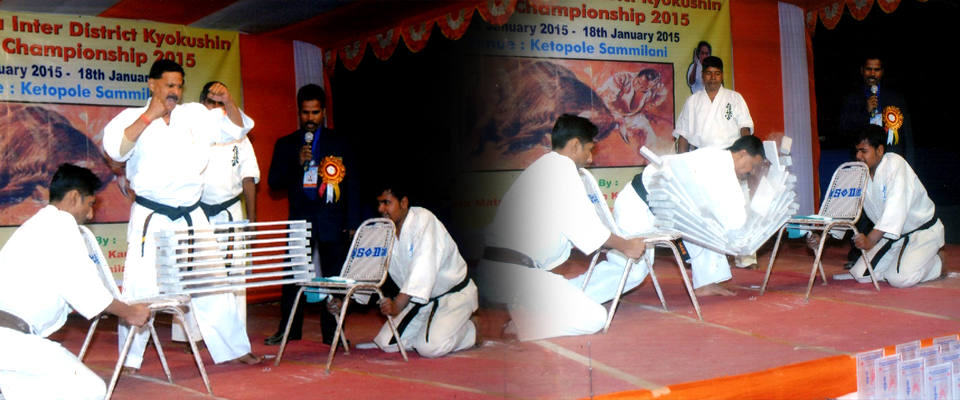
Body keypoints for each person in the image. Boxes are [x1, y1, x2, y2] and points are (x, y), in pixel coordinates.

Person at [102, 59, 261, 372]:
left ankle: (233, 348)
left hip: (192, 215)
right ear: (152, 84)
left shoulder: (195, 115)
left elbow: (238, 127)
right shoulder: (131, 117)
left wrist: (228, 101)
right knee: (140, 288)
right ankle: (130, 358)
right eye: (168, 85)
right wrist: (149, 116)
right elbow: (116, 152)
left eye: (178, 85)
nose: (174, 91)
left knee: (214, 283)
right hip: (152, 216)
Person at [477, 114, 647, 341]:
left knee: (590, 286)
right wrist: (626, 246)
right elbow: (587, 229)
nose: (590, 159)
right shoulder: (562, 169)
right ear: (575, 145)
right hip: (515, 278)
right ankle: (521, 324)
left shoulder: (545, 167)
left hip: (502, 273)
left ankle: (530, 309)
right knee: (596, 318)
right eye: (589, 150)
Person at [0, 164, 151, 400]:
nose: (90, 215)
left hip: (11, 342)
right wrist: (130, 313)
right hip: (12, 342)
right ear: (73, 197)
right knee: (92, 390)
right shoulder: (61, 224)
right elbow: (86, 291)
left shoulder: (35, 224)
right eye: (89, 204)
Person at [329, 183, 479, 357]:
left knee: (429, 348)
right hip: (419, 301)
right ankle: (432, 329)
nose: (381, 209)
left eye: (387, 202)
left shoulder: (424, 220)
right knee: (386, 343)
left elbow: (422, 269)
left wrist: (397, 305)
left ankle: (472, 330)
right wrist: (345, 302)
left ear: (404, 202)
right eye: (379, 203)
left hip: (453, 296)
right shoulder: (383, 229)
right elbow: (368, 271)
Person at [265, 84, 360, 347]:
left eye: (315, 112)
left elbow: (353, 184)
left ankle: (332, 331)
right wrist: (296, 163)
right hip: (300, 219)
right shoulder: (286, 144)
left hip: (332, 219)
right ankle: (288, 329)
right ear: (298, 112)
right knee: (293, 276)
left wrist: (353, 222)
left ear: (324, 112)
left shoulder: (339, 142)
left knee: (334, 277)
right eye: (305, 112)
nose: (310, 118)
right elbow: (274, 182)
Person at [171, 81, 262, 344]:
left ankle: (234, 336)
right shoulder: (189, 134)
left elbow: (248, 178)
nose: (216, 108)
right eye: (212, 102)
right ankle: (193, 336)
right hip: (196, 210)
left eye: (221, 103)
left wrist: (252, 220)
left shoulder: (239, 136)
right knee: (196, 273)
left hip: (230, 211)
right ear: (202, 104)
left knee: (234, 275)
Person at [642, 135, 766, 296]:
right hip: (643, 203)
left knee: (708, 226)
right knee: (634, 272)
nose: (752, 171)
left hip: (664, 205)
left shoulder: (717, 157)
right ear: (742, 154)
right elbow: (736, 222)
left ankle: (706, 283)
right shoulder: (721, 167)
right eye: (753, 165)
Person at [844, 125, 944, 287]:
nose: (858, 156)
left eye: (863, 151)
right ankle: (904, 262)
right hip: (891, 236)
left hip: (922, 233)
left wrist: (870, 240)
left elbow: (894, 210)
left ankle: (937, 263)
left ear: (879, 150)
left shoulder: (895, 164)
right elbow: (845, 207)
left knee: (899, 279)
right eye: (857, 151)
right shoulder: (860, 173)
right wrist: (822, 235)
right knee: (860, 274)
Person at [567, 175, 655, 304]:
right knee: (633, 271)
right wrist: (625, 246)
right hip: (637, 206)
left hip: (641, 204)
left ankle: (570, 293)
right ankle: (570, 298)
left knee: (626, 267)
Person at [674, 56, 754, 153]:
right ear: (702, 75)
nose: (713, 78)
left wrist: (746, 153)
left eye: (717, 73)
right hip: (700, 155)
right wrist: (682, 160)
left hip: (730, 154)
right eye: (708, 73)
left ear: (722, 75)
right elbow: (683, 134)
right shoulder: (692, 101)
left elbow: (745, 127)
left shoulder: (735, 98)